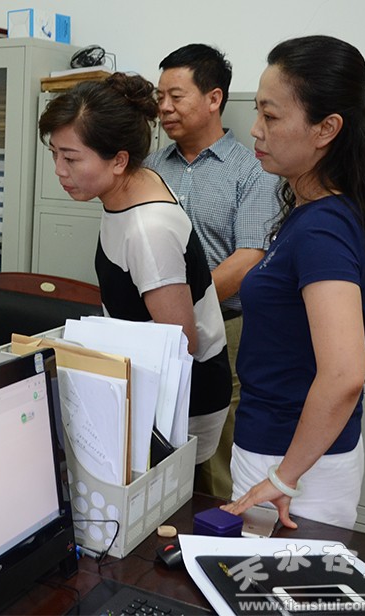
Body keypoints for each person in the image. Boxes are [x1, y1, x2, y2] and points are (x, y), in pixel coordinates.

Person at [221, 35, 365, 529]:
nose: (256, 129)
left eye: (271, 116)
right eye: (258, 112)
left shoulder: (323, 228)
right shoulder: (313, 212)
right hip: (282, 453)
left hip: (293, 467)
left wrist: (283, 479)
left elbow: (344, 374)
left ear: (326, 129)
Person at [38, 74, 232, 466]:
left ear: (119, 160)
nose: (59, 169)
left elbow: (180, 343)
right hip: (145, 385)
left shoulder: (148, 230)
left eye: (71, 158)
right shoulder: (130, 187)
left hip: (182, 402)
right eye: (54, 153)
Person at [145, 44, 281, 498]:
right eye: (160, 97)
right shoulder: (152, 168)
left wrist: (180, 304)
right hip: (155, 330)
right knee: (157, 447)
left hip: (224, 327)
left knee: (215, 458)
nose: (164, 107)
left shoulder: (252, 169)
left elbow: (249, 257)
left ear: (213, 98)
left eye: (176, 96)